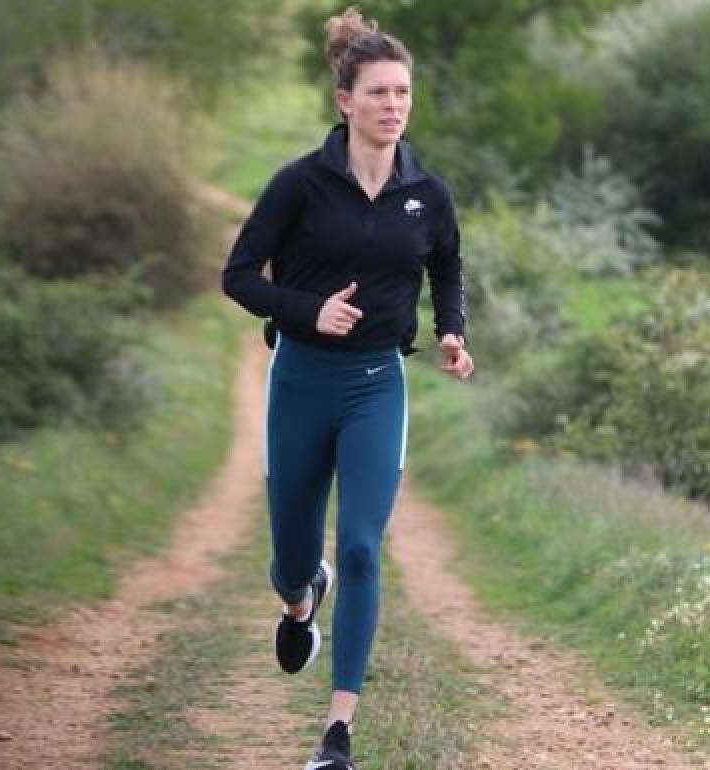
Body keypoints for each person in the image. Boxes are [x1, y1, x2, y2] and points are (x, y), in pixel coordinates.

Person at [221, 7, 474, 769]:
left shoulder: (427, 192)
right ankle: (303, 599)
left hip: (375, 386)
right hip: (299, 380)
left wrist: (452, 329)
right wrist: (306, 310)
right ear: (345, 101)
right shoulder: (299, 186)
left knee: (363, 547)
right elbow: (237, 277)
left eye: (403, 93)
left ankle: (337, 735)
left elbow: (447, 266)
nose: (393, 105)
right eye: (378, 93)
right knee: (292, 561)